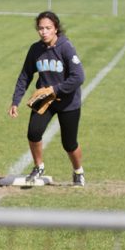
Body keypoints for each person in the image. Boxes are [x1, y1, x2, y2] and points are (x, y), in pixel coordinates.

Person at [8, 11, 86, 187]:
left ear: (56, 29)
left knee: (69, 143)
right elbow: (25, 76)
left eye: (48, 28)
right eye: (41, 28)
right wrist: (15, 101)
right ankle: (38, 166)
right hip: (44, 99)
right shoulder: (35, 49)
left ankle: (78, 171)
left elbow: (78, 77)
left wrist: (54, 89)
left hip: (68, 101)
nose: (44, 32)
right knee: (33, 133)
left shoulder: (65, 47)